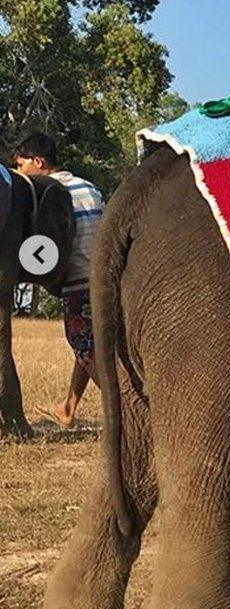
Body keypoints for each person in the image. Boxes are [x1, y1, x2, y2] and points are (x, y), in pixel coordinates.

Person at [14, 132, 103, 428]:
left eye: (22, 163)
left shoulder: (48, 194)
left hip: (77, 280)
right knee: (90, 345)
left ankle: (129, 407)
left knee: (84, 347)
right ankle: (68, 407)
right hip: (104, 277)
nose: (19, 170)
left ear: (39, 162)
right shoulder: (89, 187)